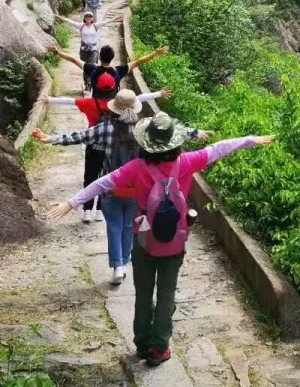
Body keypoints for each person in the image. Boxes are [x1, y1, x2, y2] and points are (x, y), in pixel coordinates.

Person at [48, 114, 275, 366]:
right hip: (175, 241)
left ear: (146, 143)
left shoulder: (136, 167)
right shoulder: (187, 162)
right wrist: (250, 139)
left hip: (143, 240)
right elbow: (219, 148)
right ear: (174, 142)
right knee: (167, 294)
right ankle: (160, 348)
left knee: (143, 294)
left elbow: (102, 183)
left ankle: (142, 344)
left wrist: (71, 203)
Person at [34, 89, 207, 284]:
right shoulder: (144, 132)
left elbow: (80, 136)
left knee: (114, 226)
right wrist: (196, 132)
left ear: (114, 109)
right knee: (129, 226)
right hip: (137, 189)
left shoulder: (105, 128)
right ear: (136, 108)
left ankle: (118, 266)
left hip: (111, 187)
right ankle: (125, 261)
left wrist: (51, 138)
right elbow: (170, 132)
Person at [50, 44, 169, 220]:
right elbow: (138, 64)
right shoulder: (118, 73)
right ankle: (100, 210)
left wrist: (57, 52)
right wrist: (155, 54)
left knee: (90, 175)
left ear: (100, 57)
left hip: (94, 139)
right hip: (113, 140)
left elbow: (74, 60)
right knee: (106, 175)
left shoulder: (92, 74)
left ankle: (87, 210)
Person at [56, 12, 111, 91]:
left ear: (92, 18)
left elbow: (105, 22)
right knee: (85, 67)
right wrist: (60, 17)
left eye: (90, 16)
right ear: (84, 18)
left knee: (92, 66)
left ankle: (92, 82)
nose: (88, 18)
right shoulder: (81, 26)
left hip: (93, 50)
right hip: (84, 50)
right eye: (86, 16)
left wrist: (115, 19)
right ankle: (87, 82)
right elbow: (70, 22)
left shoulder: (95, 26)